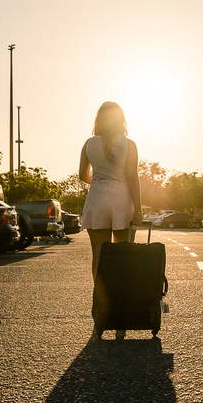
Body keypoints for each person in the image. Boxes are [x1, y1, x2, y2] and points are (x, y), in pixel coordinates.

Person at [78, 101, 143, 279]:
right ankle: (121, 295)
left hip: (96, 199)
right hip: (121, 199)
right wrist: (138, 208)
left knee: (98, 255)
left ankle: (100, 297)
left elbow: (83, 176)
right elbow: (132, 177)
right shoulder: (129, 145)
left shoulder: (88, 144)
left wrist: (99, 180)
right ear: (121, 120)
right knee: (124, 253)